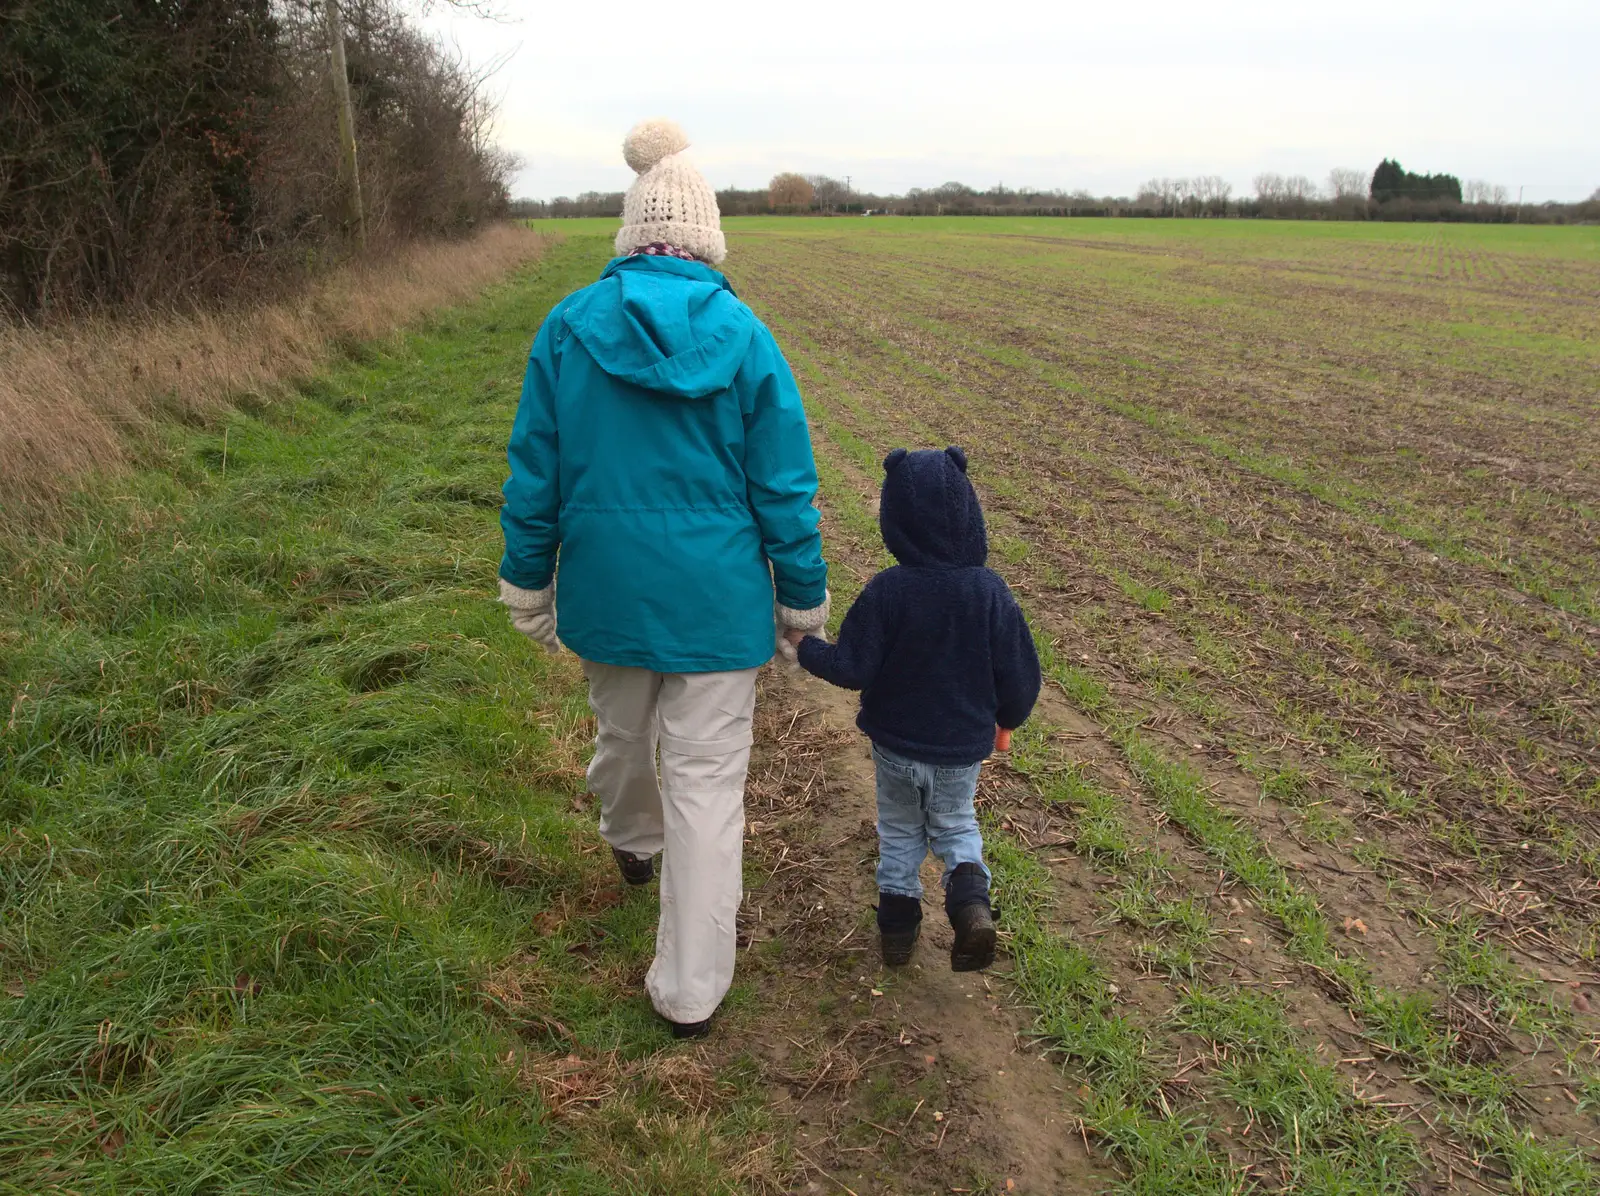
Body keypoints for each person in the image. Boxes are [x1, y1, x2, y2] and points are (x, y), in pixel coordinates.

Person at [498, 119, 829, 1037]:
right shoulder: (748, 336)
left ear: (630, 232)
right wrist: (800, 596)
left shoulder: (567, 329)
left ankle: (631, 839)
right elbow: (784, 486)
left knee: (620, 732)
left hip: (606, 593)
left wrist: (529, 580)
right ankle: (690, 989)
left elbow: (537, 471)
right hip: (720, 607)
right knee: (709, 784)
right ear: (707, 240)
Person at [784, 447, 1040, 971]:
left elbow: (852, 666)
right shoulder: (989, 593)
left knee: (899, 833)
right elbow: (1020, 675)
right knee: (955, 825)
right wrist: (1008, 719)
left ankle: (898, 936)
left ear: (894, 518)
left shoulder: (888, 590)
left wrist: (804, 645)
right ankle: (971, 906)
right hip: (960, 749)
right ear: (971, 514)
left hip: (895, 745)